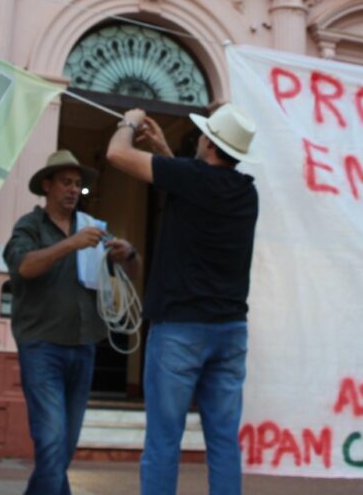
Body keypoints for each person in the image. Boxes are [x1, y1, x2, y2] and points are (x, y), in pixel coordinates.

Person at [106, 104, 258, 495]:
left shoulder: (191, 178)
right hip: (230, 331)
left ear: (208, 143)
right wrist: (163, 151)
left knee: (163, 441)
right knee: (224, 443)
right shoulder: (246, 193)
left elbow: (117, 154)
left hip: (180, 330)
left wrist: (130, 121)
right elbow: (196, 188)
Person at [3, 149, 141, 495]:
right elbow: (23, 267)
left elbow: (133, 275)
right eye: (65, 182)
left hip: (84, 346)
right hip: (42, 346)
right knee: (51, 440)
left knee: (62, 445)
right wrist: (69, 245)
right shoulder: (30, 225)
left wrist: (130, 256)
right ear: (46, 186)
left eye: (77, 184)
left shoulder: (92, 228)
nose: (72, 190)